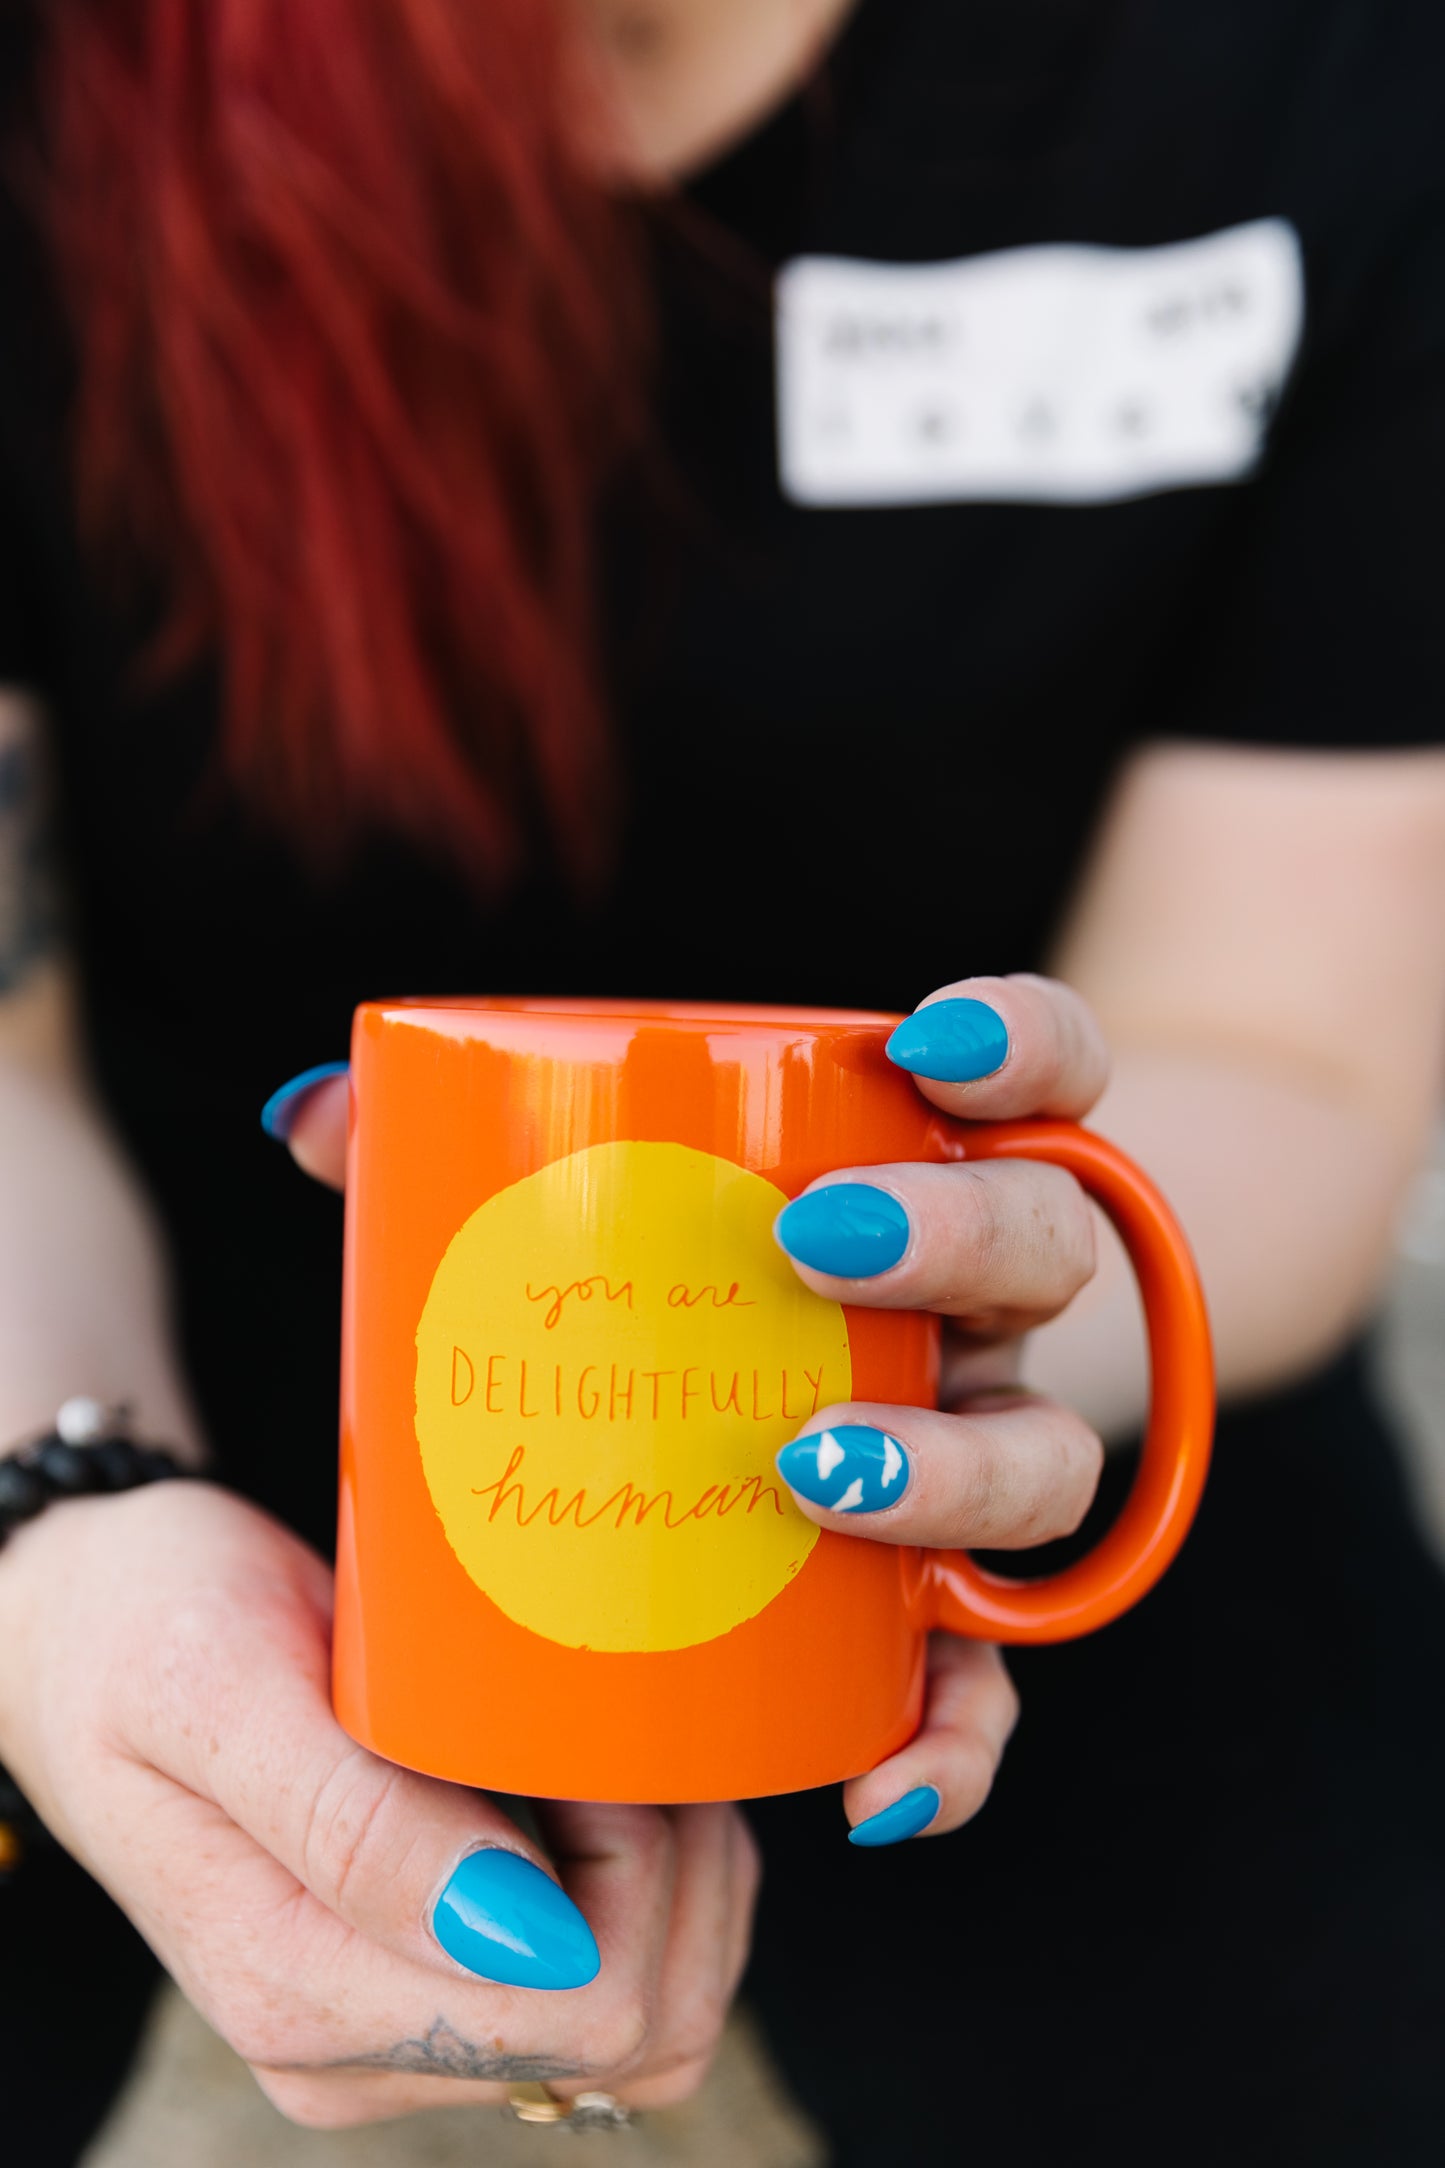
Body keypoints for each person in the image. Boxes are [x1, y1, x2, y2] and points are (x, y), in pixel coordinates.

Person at [3, 0, 1445, 2161]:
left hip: (980, 1363)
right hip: (127, 1308)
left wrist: (962, 1315)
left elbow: (1288, 1058)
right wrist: (55, 1507)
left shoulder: (1305, 79)